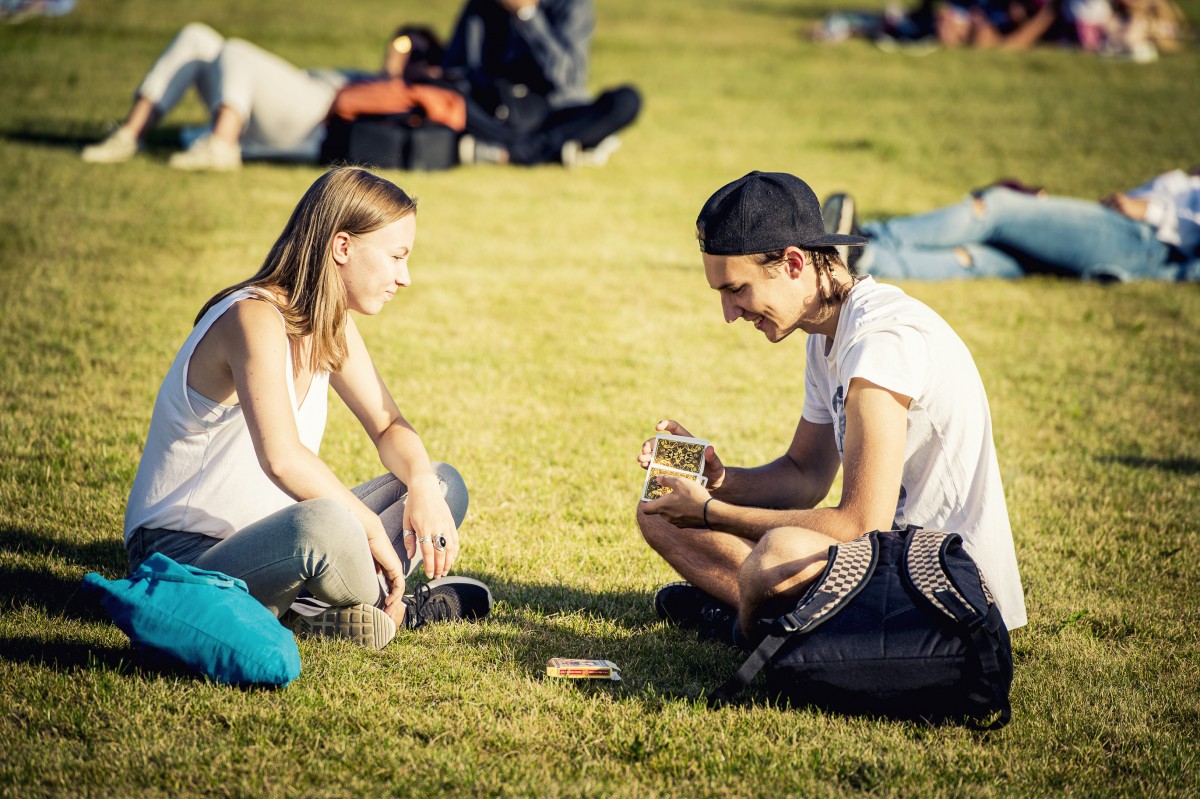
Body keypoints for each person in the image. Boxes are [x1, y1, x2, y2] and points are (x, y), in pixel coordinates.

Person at [636, 171, 1027, 649]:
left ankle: (750, 626)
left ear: (794, 263)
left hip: (948, 593)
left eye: (736, 289)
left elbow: (861, 524)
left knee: (778, 553)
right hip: (884, 565)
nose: (729, 313)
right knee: (658, 512)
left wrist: (713, 513)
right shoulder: (826, 335)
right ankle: (762, 616)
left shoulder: (880, 341)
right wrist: (718, 481)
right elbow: (805, 473)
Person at [123, 167, 492, 650]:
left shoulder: (330, 323)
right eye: (397, 257)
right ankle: (374, 606)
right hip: (183, 558)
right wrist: (371, 534)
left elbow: (388, 425)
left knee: (444, 486)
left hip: (277, 540)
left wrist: (421, 484)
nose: (405, 277)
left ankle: (325, 606)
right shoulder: (252, 317)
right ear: (343, 247)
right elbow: (283, 457)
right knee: (326, 522)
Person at [81, 22, 463, 171]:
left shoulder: (408, 89)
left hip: (311, 117)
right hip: (289, 105)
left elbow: (346, 105)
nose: (391, 50)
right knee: (197, 36)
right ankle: (129, 135)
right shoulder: (379, 80)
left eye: (403, 46)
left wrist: (401, 72)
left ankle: (221, 144)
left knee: (236, 52)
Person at [829, 167, 1200, 282]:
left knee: (996, 209)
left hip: (1143, 239)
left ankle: (866, 235)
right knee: (974, 259)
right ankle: (864, 259)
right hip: (1141, 251)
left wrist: (1152, 212)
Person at [443, 0, 641, 167]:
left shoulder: (572, 4)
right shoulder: (484, 5)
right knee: (448, 95)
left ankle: (512, 152)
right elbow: (459, 67)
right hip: (504, 108)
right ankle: (566, 147)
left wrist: (527, 15)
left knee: (626, 100)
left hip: (559, 110)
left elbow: (568, 78)